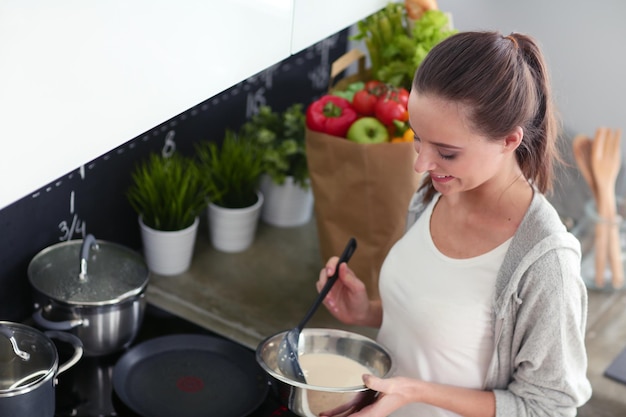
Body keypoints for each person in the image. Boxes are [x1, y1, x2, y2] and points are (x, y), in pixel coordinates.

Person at [316, 31, 592, 417]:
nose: (421, 165)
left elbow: (548, 407)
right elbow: (445, 335)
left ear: (509, 140)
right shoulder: (435, 193)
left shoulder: (545, 263)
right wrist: (368, 311)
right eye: (417, 138)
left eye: (446, 152)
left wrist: (414, 391)